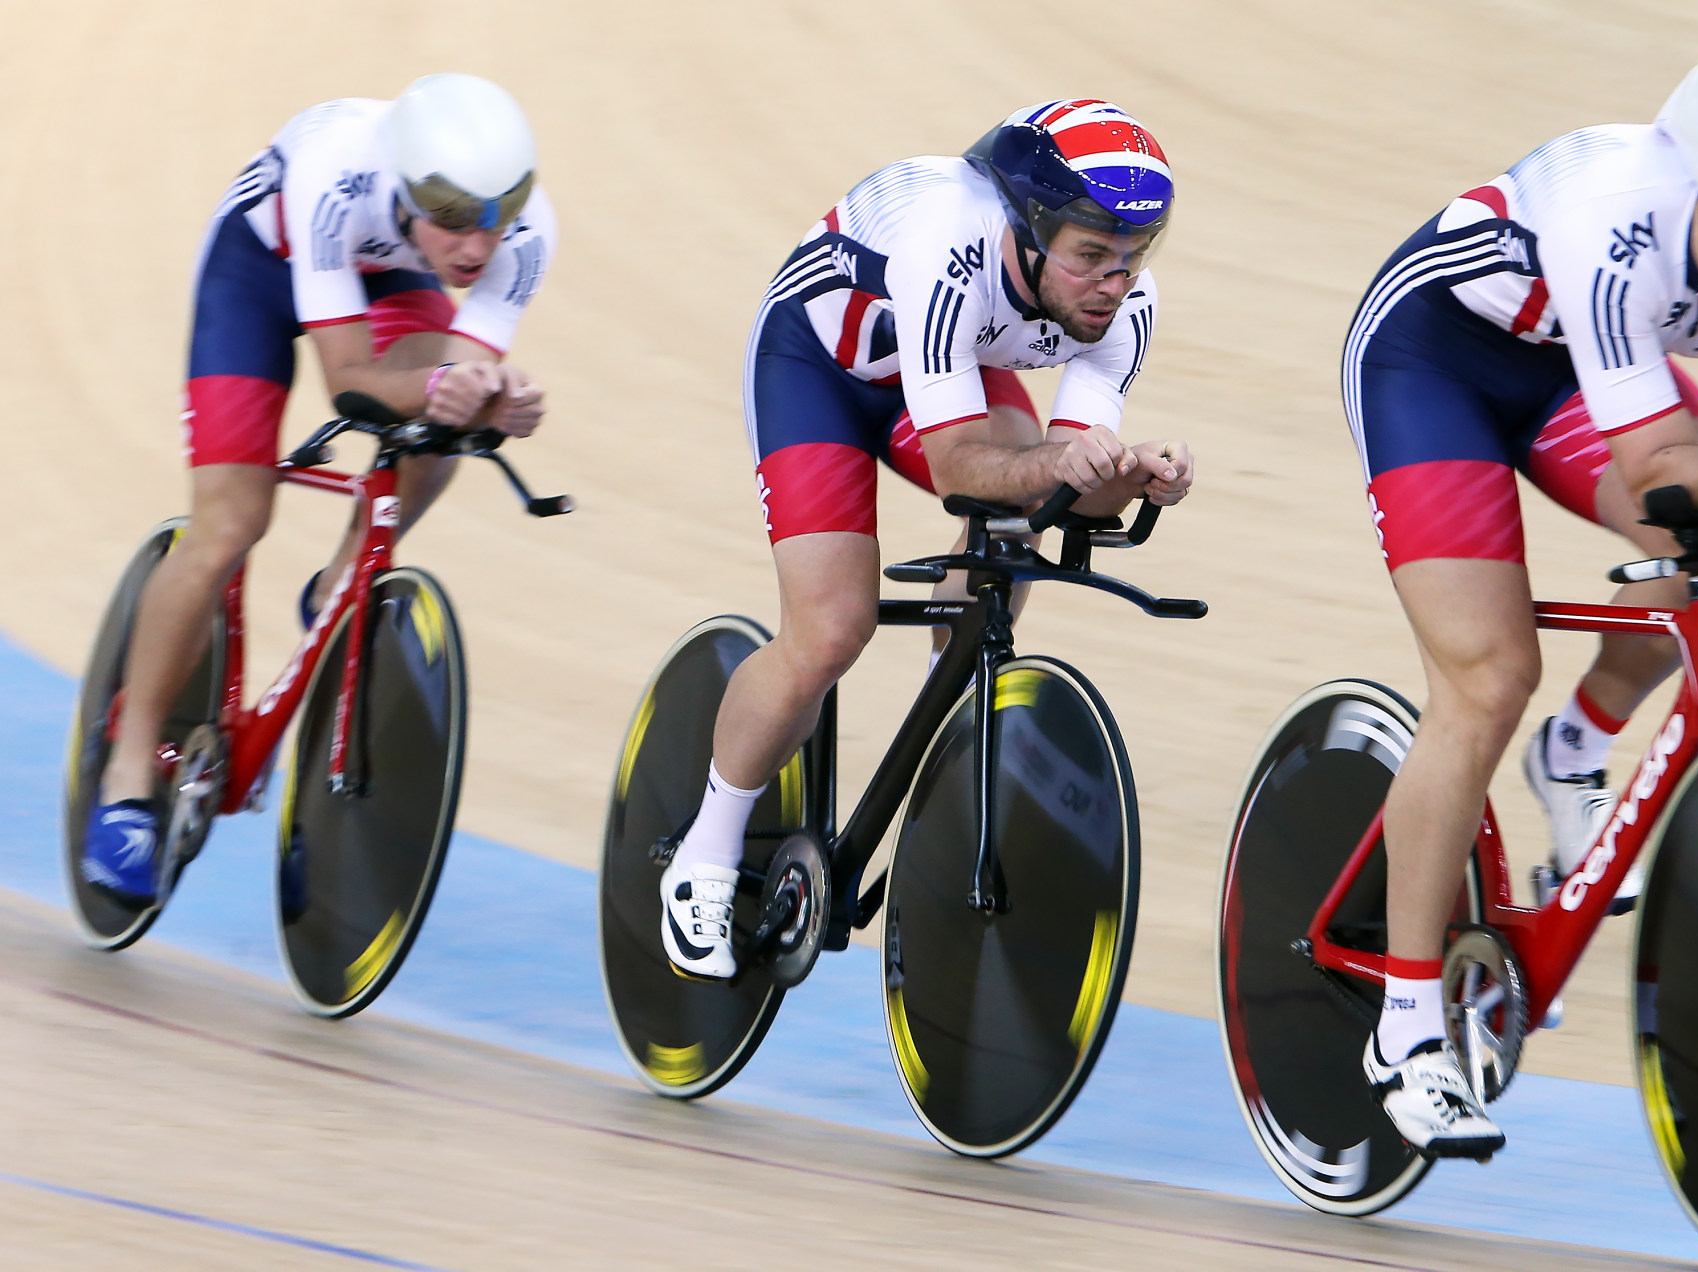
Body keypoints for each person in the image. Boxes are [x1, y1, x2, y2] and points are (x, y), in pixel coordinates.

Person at [1341, 33, 1698, 1156]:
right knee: (1485, 674)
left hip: (1578, 371)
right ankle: (1405, 1027)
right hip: (1435, 360)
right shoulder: (1620, 220)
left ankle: (1576, 743)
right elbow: (1661, 478)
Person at [660, 99, 1193, 979]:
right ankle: (706, 855)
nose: (1116, 281)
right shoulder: (950, 244)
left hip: (944, 371)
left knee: (1029, 517)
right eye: (1092, 256)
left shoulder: (1124, 305)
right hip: (821, 370)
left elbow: (1071, 484)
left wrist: (1139, 473)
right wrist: (1073, 468)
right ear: (1028, 233)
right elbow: (959, 468)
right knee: (831, 630)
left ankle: (950, 698)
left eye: (1133, 257)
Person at [81, 73, 558, 902]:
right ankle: (126, 778)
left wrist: (499, 399)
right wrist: (465, 385)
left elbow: (466, 379)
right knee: (229, 527)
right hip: (260, 267)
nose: (476, 249)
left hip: (384, 278)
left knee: (445, 427)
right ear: (406, 195)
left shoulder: (527, 234)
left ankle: (345, 576)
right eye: (450, 220)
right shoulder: (339, 177)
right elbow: (351, 383)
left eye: (495, 218)